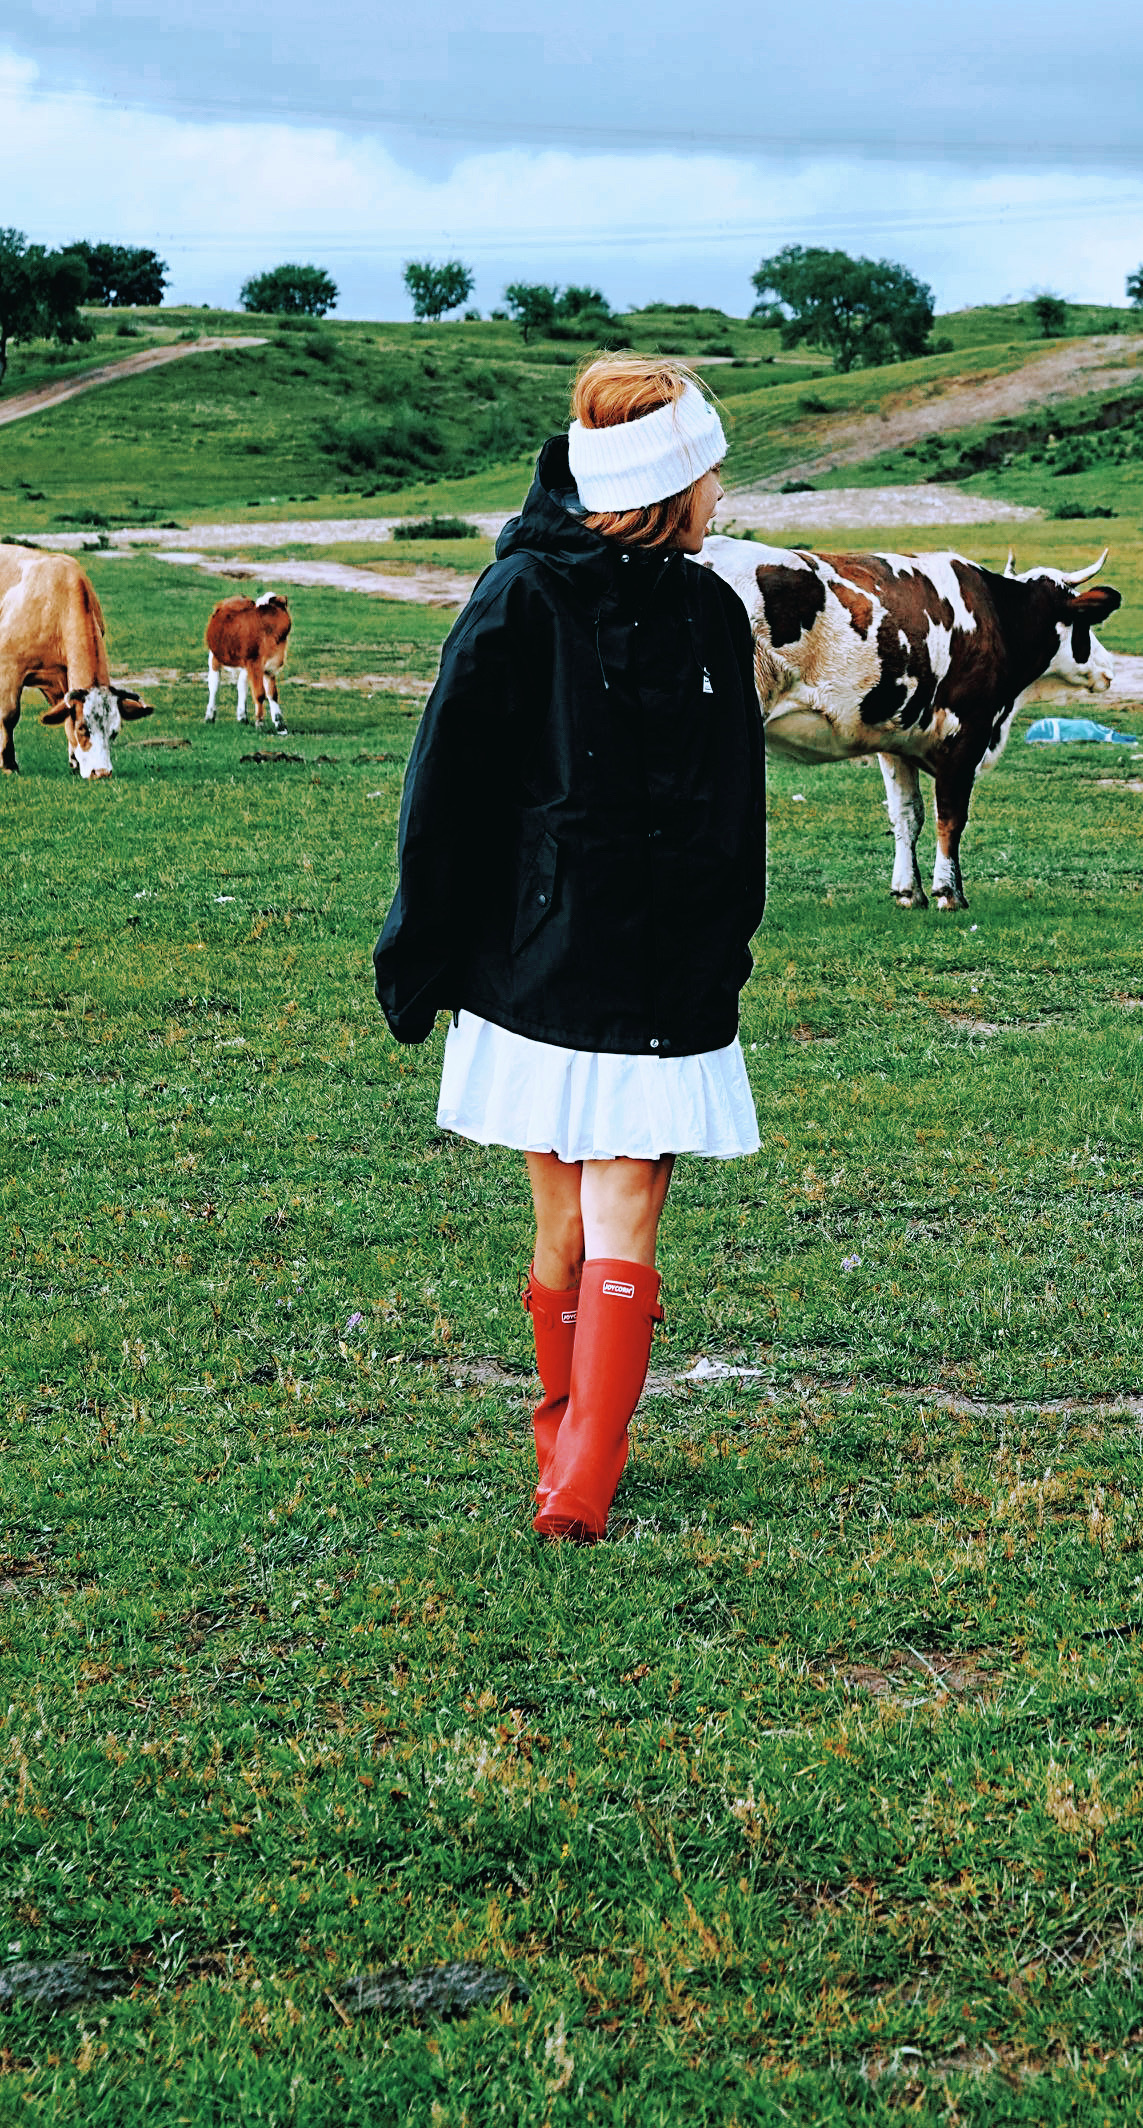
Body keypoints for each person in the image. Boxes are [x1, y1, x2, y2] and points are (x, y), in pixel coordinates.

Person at [375, 355, 766, 1541]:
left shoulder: (709, 609)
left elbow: (734, 804)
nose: (721, 491)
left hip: (663, 964)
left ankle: (579, 1477)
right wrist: (422, 951)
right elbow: (446, 787)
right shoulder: (522, 599)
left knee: (616, 1203)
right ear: (671, 482)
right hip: (545, 959)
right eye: (710, 469)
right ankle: (572, 1453)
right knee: (577, 1219)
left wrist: (724, 943)